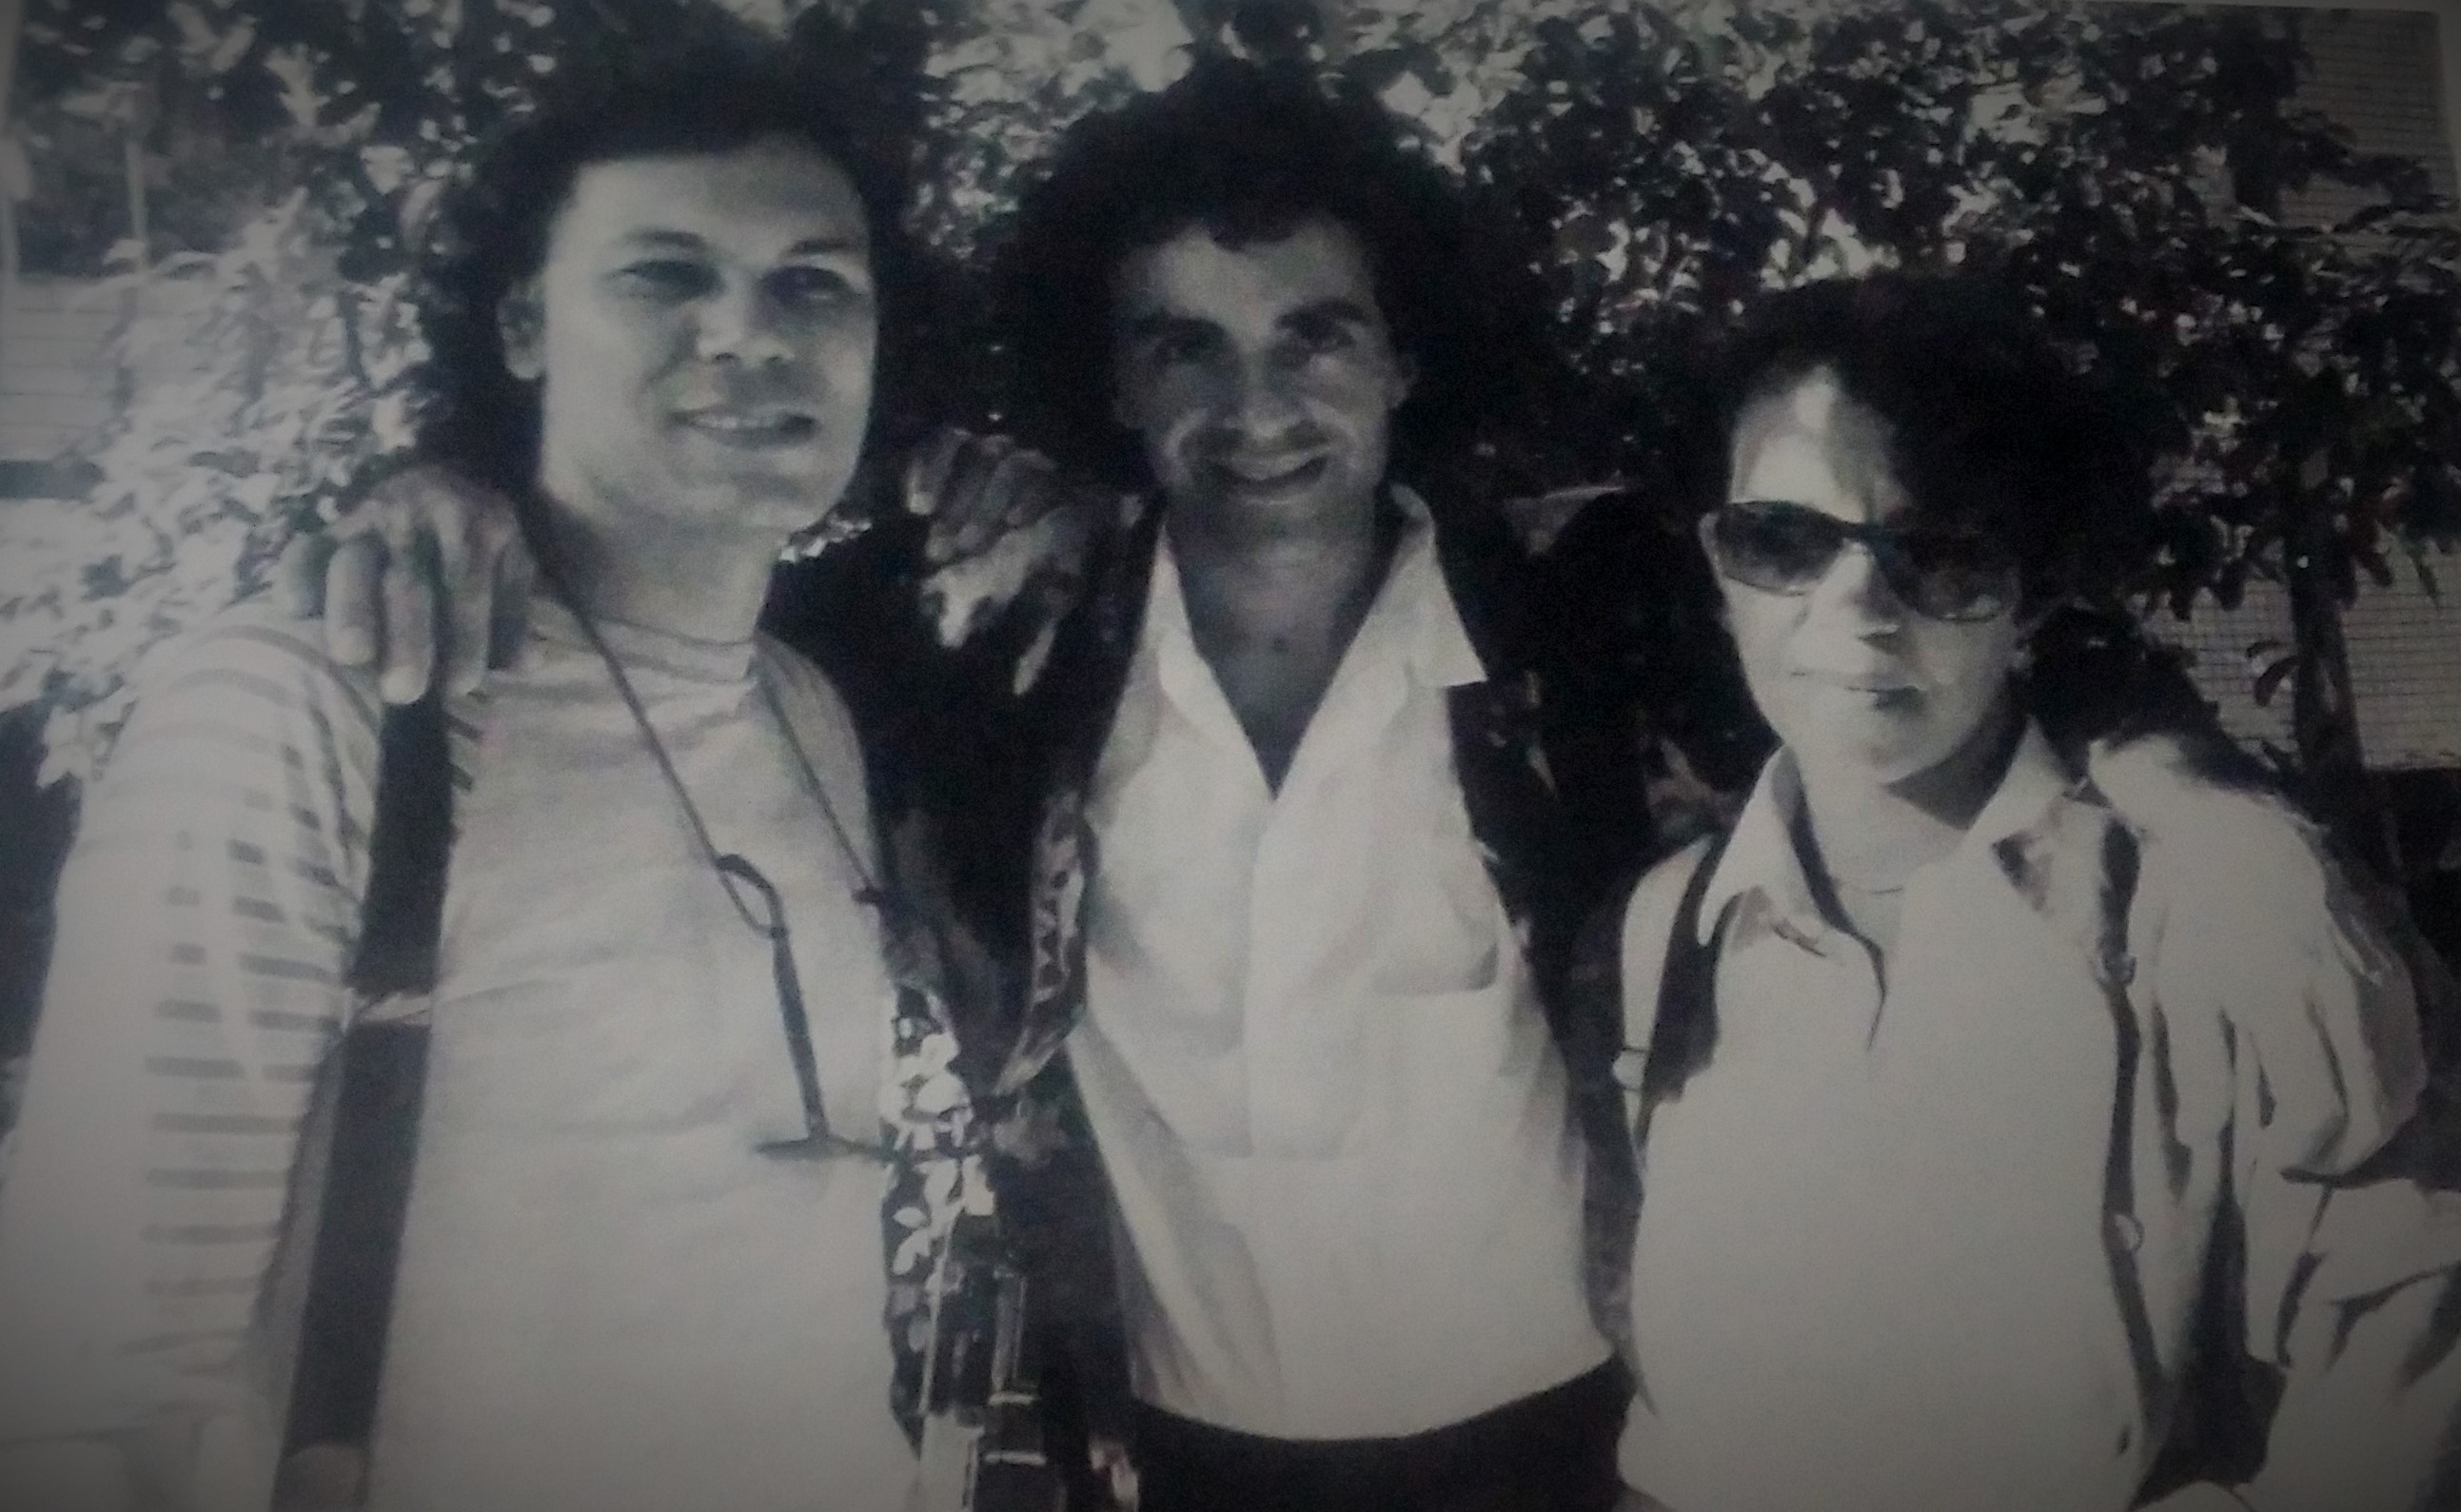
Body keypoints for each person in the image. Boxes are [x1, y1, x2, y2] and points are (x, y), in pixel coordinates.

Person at [287, 56, 1646, 1512]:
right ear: (1112, 381)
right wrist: (457, 481)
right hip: (1160, 1452)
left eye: (1313, 337)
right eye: (1182, 346)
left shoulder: (1572, 641)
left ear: (1403, 358)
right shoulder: (990, 653)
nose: (1256, 404)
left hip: (1555, 1432)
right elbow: (668, 601)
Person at [0, 39, 1026, 1512]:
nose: (749, 333)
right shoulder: (320, 705)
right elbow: (86, 1382)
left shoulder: (811, 713)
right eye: (663, 275)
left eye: (814, 283)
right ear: (523, 324)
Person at [1599, 271, 2461, 1512]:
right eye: (1780, 540)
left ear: (2036, 594)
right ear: (1716, 564)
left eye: (1940, 557)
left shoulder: (2222, 914)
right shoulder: (1668, 932)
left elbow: (2395, 1402)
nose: (1855, 609)